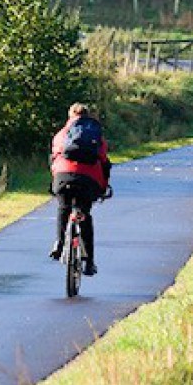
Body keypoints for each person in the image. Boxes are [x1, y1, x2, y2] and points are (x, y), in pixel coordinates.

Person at [49, 103, 111, 276]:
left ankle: (59, 243)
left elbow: (54, 159)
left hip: (63, 177)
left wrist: (54, 184)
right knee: (85, 214)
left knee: (64, 207)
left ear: (70, 116)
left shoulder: (61, 134)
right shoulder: (95, 135)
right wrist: (103, 188)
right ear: (88, 116)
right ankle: (89, 262)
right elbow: (104, 162)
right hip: (89, 180)